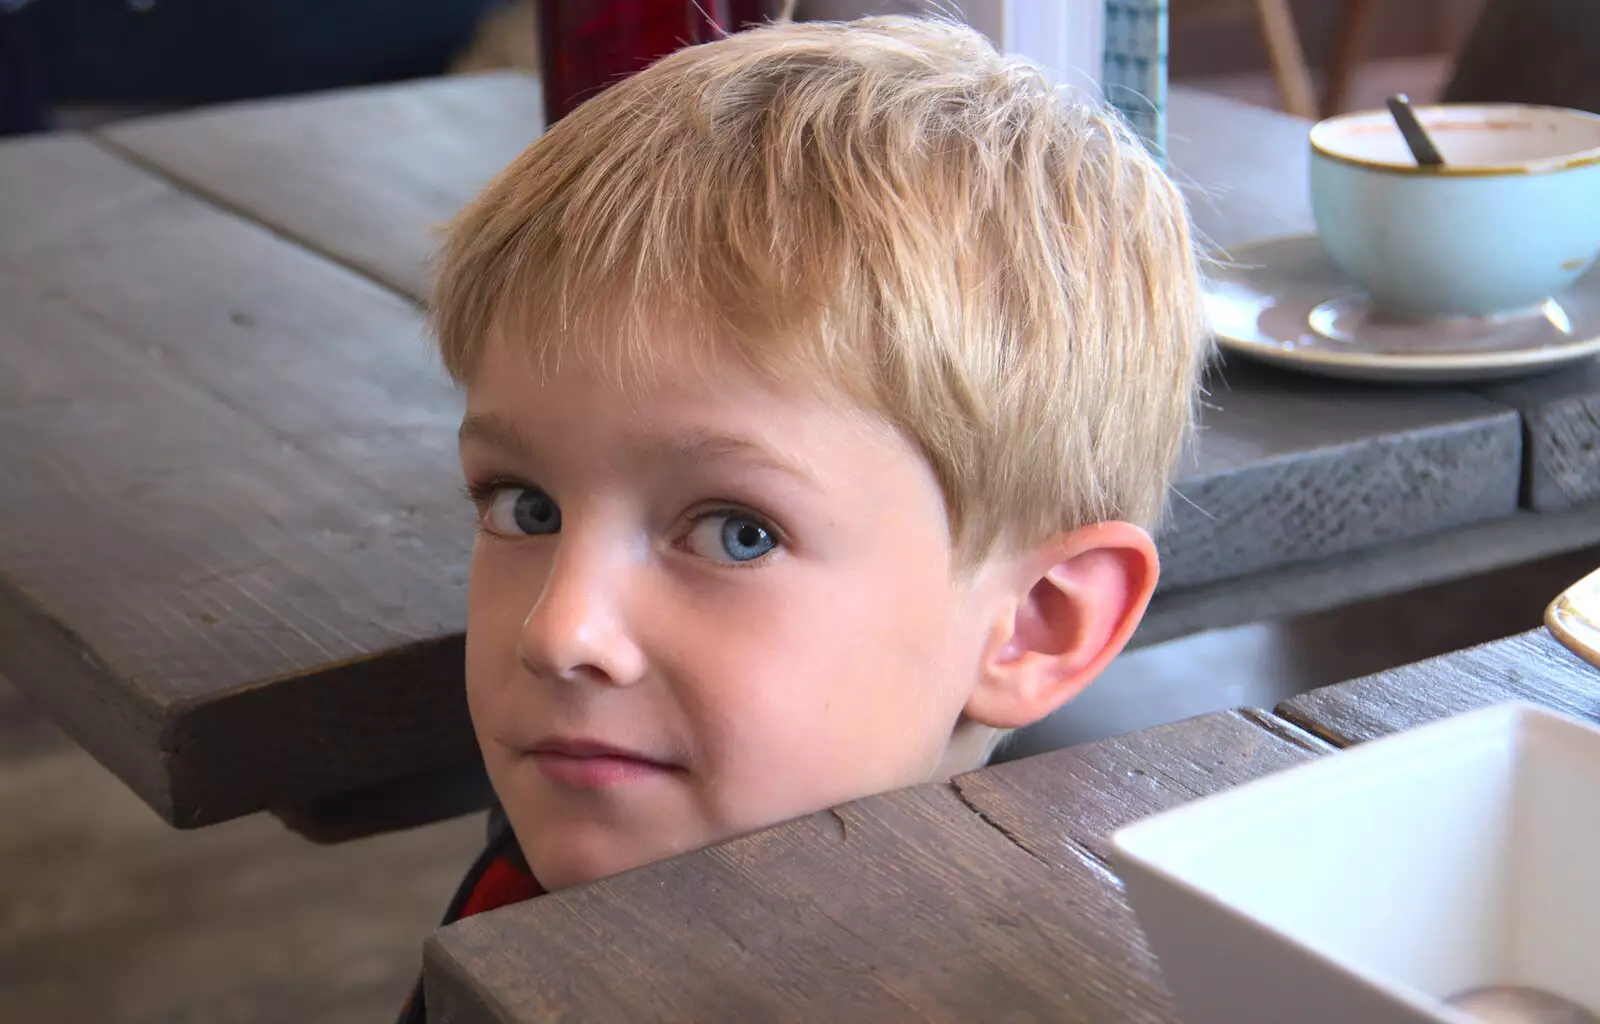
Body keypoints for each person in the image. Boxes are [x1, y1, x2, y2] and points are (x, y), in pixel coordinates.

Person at [399, 13, 1206, 1021]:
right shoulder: (513, 913)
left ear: (1035, 620)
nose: (560, 631)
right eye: (528, 507)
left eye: (737, 530)